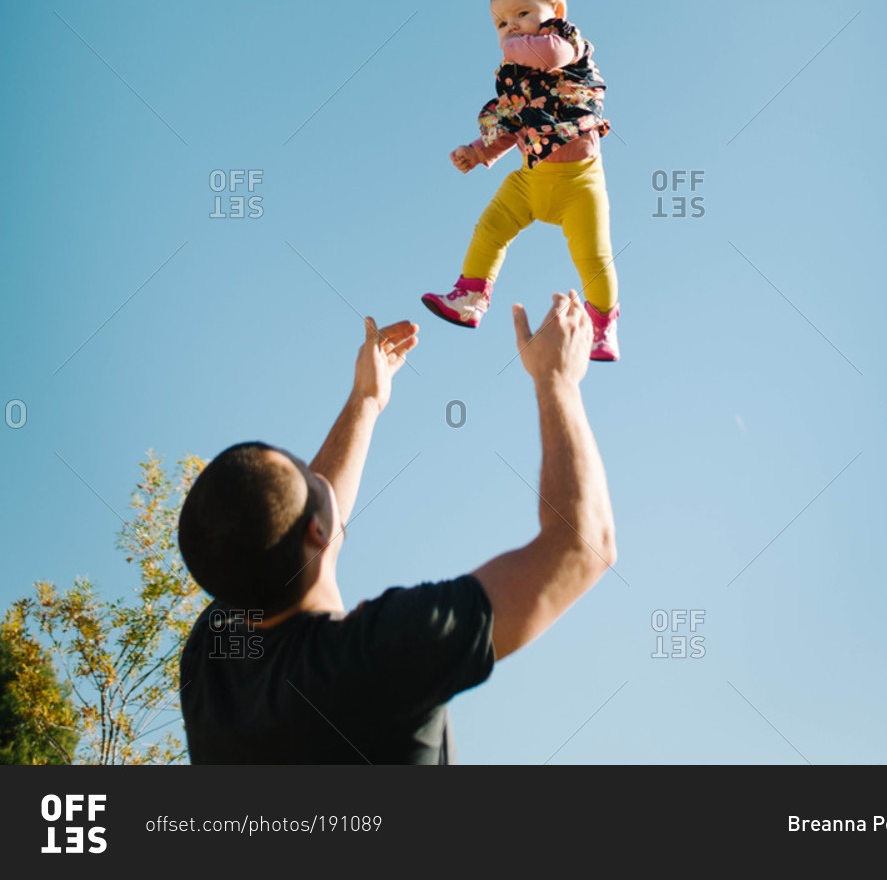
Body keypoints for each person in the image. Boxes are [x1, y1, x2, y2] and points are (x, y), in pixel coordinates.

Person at [177, 290, 615, 764]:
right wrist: (558, 380)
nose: (318, 473)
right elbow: (581, 547)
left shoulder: (211, 660)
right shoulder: (380, 655)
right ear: (317, 532)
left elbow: (284, 531)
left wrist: (365, 401)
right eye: (307, 471)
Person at [422, 0, 620, 360]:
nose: (511, 28)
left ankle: (602, 326)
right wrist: (476, 153)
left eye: (522, 14)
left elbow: (544, 54)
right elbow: (511, 126)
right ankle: (470, 296)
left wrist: (513, 42)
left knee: (593, 257)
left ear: (556, 10)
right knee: (490, 226)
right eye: (500, 23)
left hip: (580, 185)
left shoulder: (568, 42)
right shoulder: (517, 80)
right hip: (531, 182)